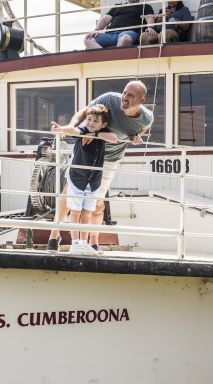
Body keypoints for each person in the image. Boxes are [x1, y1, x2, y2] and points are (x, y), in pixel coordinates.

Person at [48, 80, 154, 253]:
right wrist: (71, 126)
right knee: (69, 194)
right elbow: (85, 111)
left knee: (96, 202)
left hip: (110, 159)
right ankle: (54, 233)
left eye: (130, 95)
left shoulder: (147, 117)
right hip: (87, 154)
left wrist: (136, 135)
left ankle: (93, 240)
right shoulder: (110, 99)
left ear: (141, 101)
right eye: (125, 92)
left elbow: (143, 128)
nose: (124, 98)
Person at [48, 105, 118, 255]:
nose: (91, 123)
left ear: (103, 124)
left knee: (87, 212)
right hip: (78, 178)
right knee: (75, 211)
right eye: (89, 119)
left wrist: (96, 135)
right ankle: (75, 243)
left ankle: (84, 243)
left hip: (93, 181)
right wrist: (61, 129)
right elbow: (74, 130)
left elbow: (115, 138)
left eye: (95, 121)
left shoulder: (102, 134)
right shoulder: (83, 131)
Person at [84, 0, 155, 49]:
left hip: (128, 33)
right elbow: (105, 19)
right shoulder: (117, 7)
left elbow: (149, 17)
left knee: (125, 39)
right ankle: (105, 57)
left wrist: (150, 27)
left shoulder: (145, 7)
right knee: (88, 39)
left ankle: (114, 57)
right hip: (110, 34)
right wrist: (96, 30)